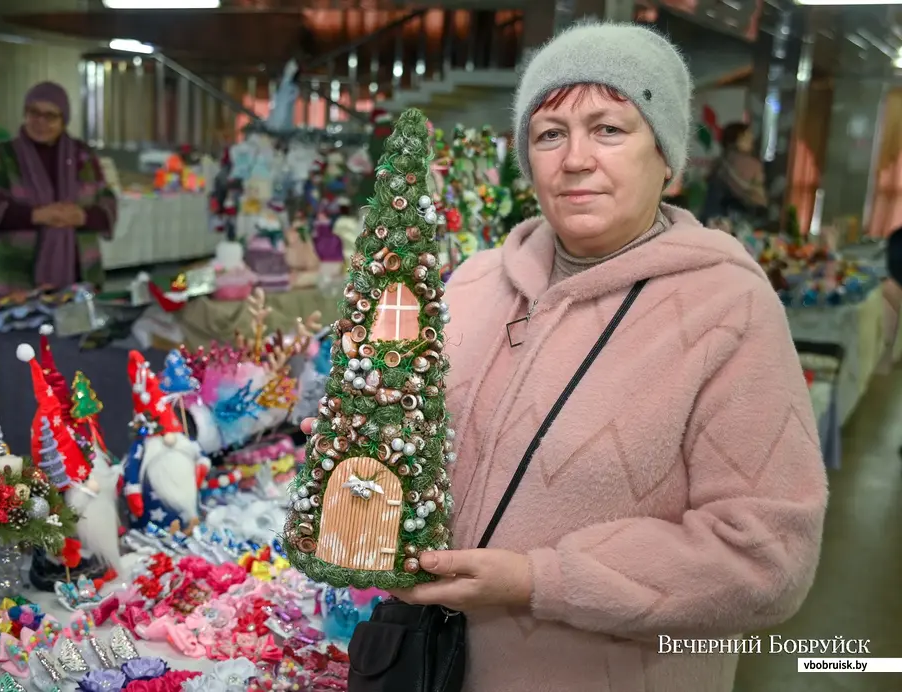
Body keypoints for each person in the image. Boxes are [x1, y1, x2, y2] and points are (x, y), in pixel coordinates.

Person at [305, 22, 827, 691]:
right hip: (435, 667)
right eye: (550, 134)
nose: (575, 158)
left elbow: (767, 558)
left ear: (666, 158)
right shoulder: (470, 282)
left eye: (609, 129)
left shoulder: (728, 311)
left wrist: (537, 581)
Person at [0, 82, 117, 296]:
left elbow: (107, 203)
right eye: (34, 113)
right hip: (17, 284)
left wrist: (82, 216)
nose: (41, 122)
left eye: (50, 116)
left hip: (81, 279)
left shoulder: (83, 155)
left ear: (63, 120)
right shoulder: (4, 155)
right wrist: (37, 215)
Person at [701, 121, 768, 224]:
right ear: (736, 139)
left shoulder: (718, 162)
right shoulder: (752, 164)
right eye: (747, 136)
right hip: (744, 220)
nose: (752, 139)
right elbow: (759, 197)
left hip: (714, 219)